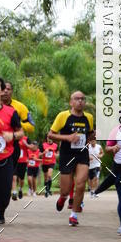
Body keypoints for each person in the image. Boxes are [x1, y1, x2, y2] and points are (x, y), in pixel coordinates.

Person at [49, 91, 93, 227]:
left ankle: (74, 215)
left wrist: (93, 136)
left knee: (80, 184)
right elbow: (51, 135)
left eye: (82, 99)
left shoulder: (89, 118)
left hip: (82, 154)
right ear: (71, 102)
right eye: (77, 99)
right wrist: (67, 138)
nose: (80, 101)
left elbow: (90, 134)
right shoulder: (63, 116)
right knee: (65, 190)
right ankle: (63, 198)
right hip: (67, 154)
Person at [0, 76, 24, 236]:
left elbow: (21, 132)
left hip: (5, 157)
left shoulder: (10, 112)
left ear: (1, 91)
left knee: (4, 192)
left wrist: (11, 136)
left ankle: (1, 209)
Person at [11, 134, 28, 201]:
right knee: (14, 177)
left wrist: (26, 144)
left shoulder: (26, 139)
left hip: (23, 162)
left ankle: (20, 189)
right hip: (15, 161)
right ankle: (14, 193)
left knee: (22, 179)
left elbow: (32, 147)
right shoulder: (12, 138)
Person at [88, 133, 103, 197]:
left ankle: (96, 192)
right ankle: (92, 191)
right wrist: (88, 157)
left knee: (96, 178)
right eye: (91, 141)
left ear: (96, 141)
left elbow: (102, 153)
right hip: (90, 165)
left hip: (97, 164)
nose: (93, 142)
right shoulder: (87, 147)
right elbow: (83, 154)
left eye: (94, 141)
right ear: (89, 141)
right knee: (91, 179)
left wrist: (100, 155)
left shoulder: (99, 146)